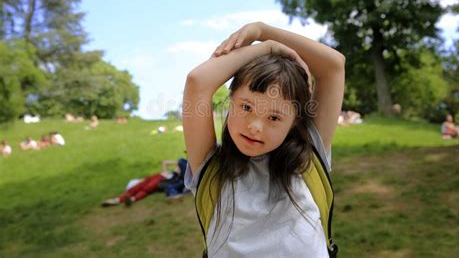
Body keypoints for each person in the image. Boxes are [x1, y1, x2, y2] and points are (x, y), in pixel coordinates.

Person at [183, 22, 344, 257]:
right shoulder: (210, 167)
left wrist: (261, 31)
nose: (255, 127)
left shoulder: (309, 156)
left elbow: (334, 65)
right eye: (246, 106)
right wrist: (267, 48)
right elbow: (197, 81)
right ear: (230, 100)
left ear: (296, 121)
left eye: (274, 117)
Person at [101, 157, 189, 207]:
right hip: (158, 176)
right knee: (138, 186)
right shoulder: (172, 169)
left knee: (146, 188)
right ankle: (118, 199)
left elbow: (182, 176)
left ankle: (130, 199)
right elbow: (165, 162)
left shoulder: (177, 174)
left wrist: (178, 166)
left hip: (161, 179)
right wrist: (176, 162)